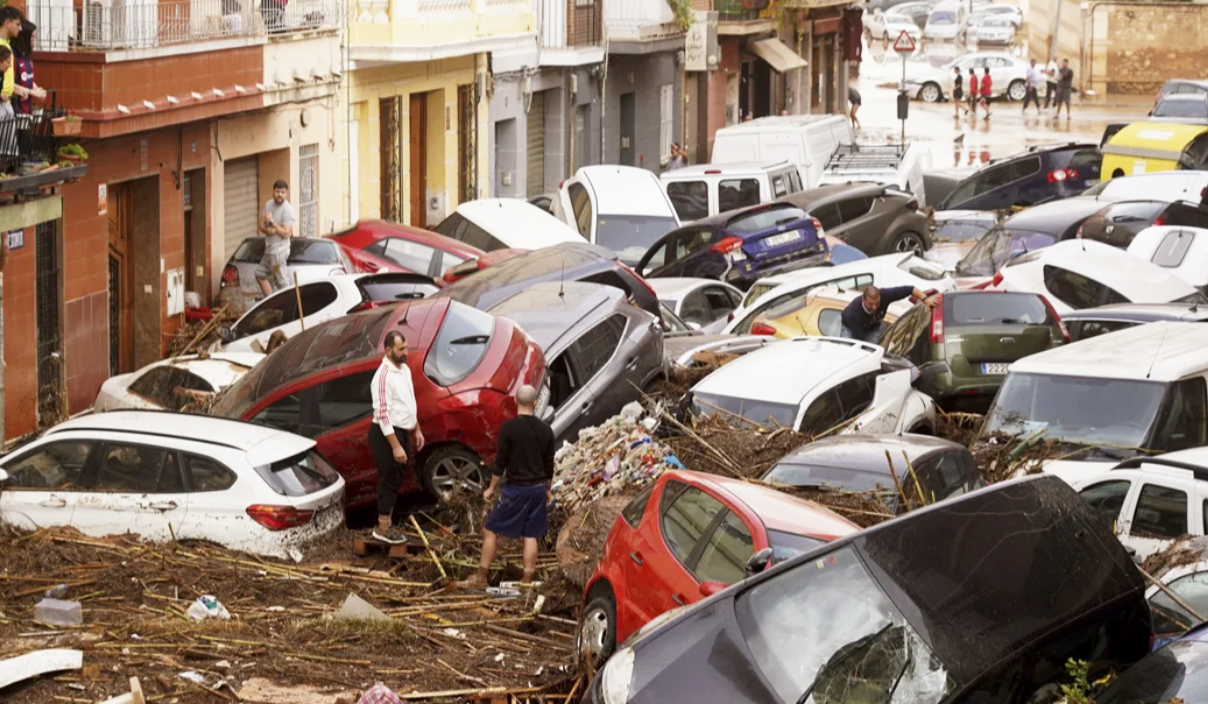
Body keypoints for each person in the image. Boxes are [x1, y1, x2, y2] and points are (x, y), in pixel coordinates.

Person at [456, 385, 555, 589]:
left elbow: (500, 463)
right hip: (536, 489)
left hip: (516, 490)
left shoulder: (508, 429)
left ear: (516, 402)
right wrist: (548, 491)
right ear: (535, 403)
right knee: (531, 534)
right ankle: (526, 582)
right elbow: (548, 466)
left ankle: (481, 577)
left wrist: (491, 489)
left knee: (491, 529)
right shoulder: (546, 431)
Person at [368, 331, 425, 545]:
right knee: (389, 479)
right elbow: (383, 415)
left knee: (399, 477)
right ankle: (383, 528)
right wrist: (396, 446)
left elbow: (409, 403)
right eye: (401, 349)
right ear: (389, 349)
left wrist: (416, 428)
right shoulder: (383, 377)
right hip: (386, 434)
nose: (406, 352)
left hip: (402, 431)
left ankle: (387, 523)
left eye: (406, 348)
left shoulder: (404, 369)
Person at [840, 285, 936, 342]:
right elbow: (860, 339)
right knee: (850, 353)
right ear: (863, 300)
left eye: (877, 303)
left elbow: (910, 289)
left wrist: (926, 299)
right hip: (850, 328)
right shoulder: (854, 312)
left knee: (873, 353)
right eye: (870, 304)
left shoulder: (886, 295)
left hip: (872, 327)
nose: (874, 307)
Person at [256, 180, 295, 297]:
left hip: (279, 252)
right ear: (273, 191)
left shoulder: (288, 210)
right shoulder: (269, 204)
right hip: (269, 250)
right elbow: (261, 225)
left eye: (283, 192)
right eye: (277, 192)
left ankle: (288, 309)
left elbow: (287, 233)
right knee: (259, 274)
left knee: (282, 283)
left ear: (286, 194)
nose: (280, 195)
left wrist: (272, 223)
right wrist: (267, 230)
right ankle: (270, 303)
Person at [11, 19, 45, 115]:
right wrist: (32, 92)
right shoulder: (12, 55)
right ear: (24, 38)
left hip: (27, 108)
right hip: (16, 107)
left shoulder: (27, 55)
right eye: (32, 38)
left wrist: (37, 89)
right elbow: (10, 83)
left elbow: (27, 76)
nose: (34, 41)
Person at [0, 7, 21, 117]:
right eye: (17, 24)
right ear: (7, 23)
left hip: (7, 103)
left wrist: (18, 89)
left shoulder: (7, 44)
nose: (20, 28)